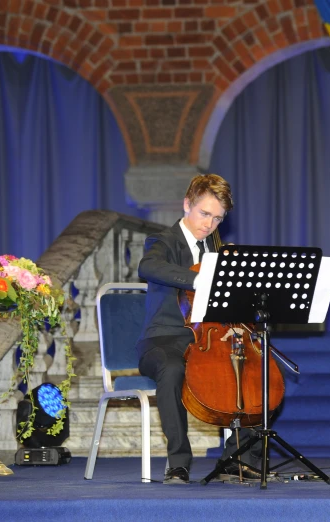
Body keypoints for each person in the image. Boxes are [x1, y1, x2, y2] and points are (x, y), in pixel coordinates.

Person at [135, 173, 263, 484]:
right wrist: (199, 278)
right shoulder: (162, 242)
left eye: (217, 219)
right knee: (171, 368)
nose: (209, 225)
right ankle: (178, 462)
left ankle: (237, 459)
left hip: (209, 338)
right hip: (164, 338)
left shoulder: (220, 251)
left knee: (249, 368)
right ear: (187, 204)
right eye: (204, 214)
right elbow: (148, 267)